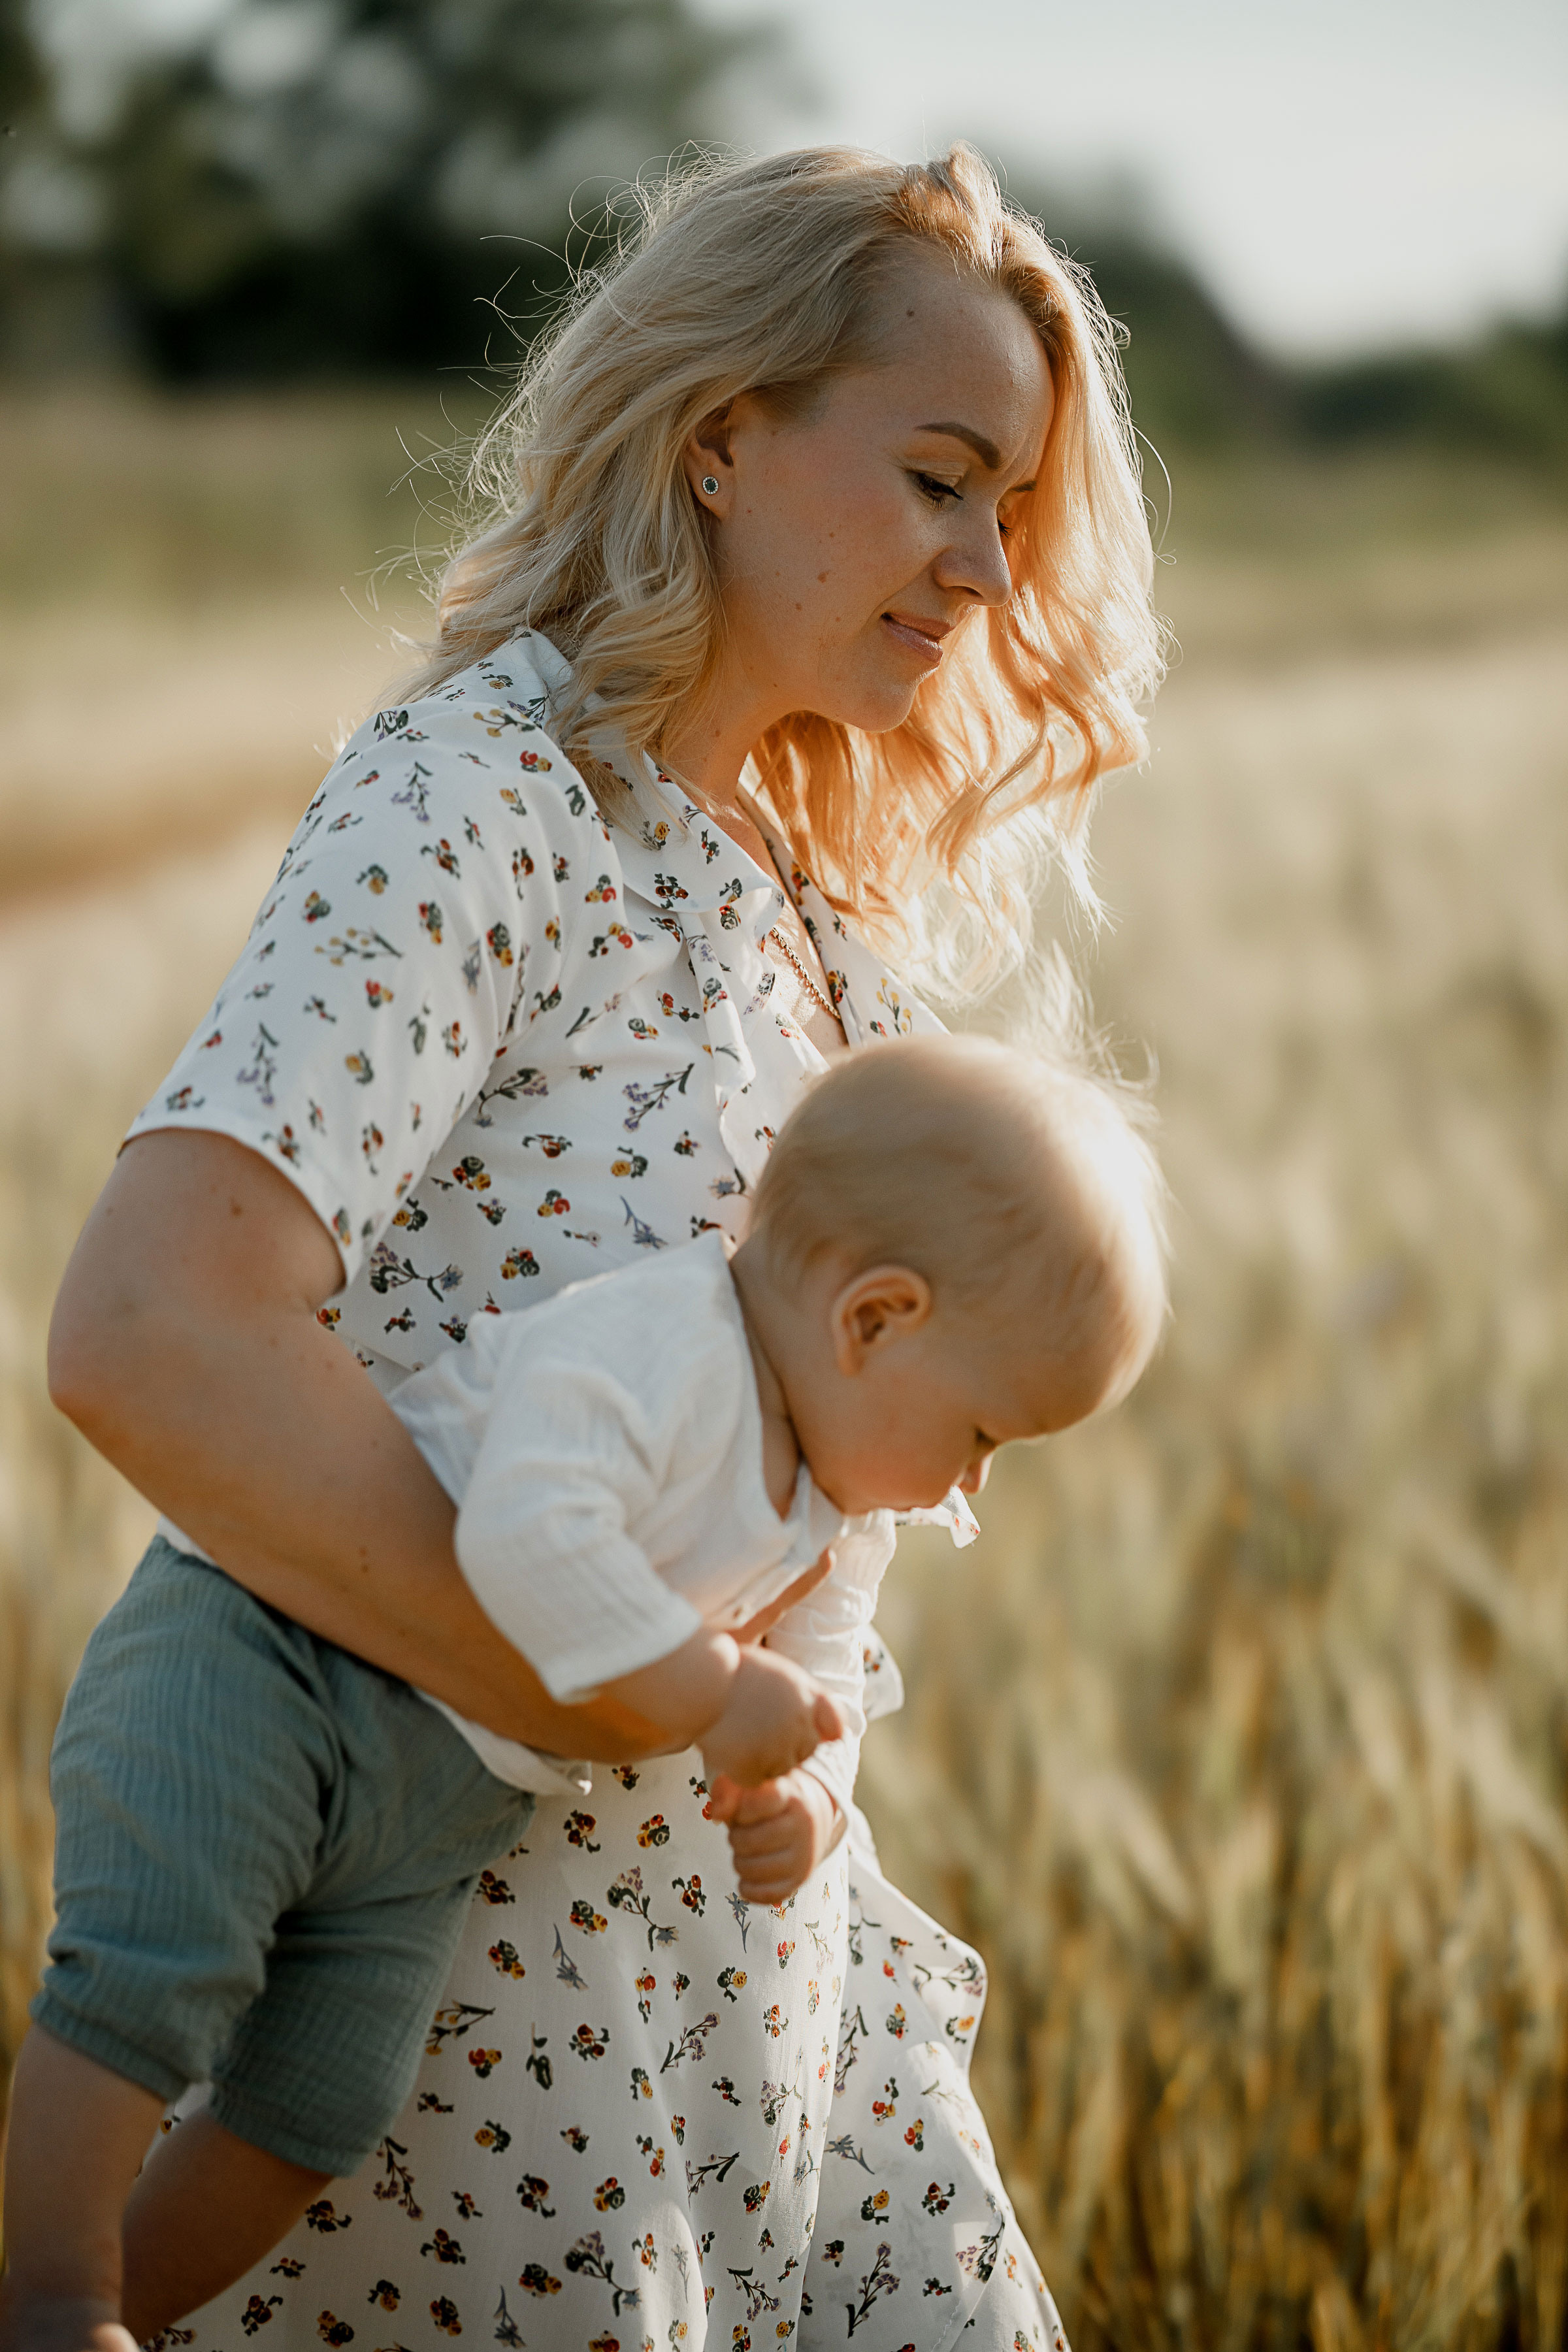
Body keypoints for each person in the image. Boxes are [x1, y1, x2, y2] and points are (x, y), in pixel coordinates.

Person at [8, 140, 1160, 2352]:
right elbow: (153, 1330)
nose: (985, 564)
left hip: (778, 2034)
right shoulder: (481, 800)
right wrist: (591, 1684)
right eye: (940, 479)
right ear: (721, 438)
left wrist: (764, 1743)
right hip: (488, 2038)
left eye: (1013, 511)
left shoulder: (831, 932)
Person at [6, 1036, 1166, 2341]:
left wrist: (812, 1797)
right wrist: (712, 1691)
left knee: (321, 2105)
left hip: (435, 1807)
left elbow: (825, 1678)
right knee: (151, 1970)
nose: (974, 1484)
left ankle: (124, 2305)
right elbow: (525, 1530)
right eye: (984, 1434)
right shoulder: (669, 1342)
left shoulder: (825, 1507)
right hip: (268, 1659)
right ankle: (57, 2292)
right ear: (874, 1319)